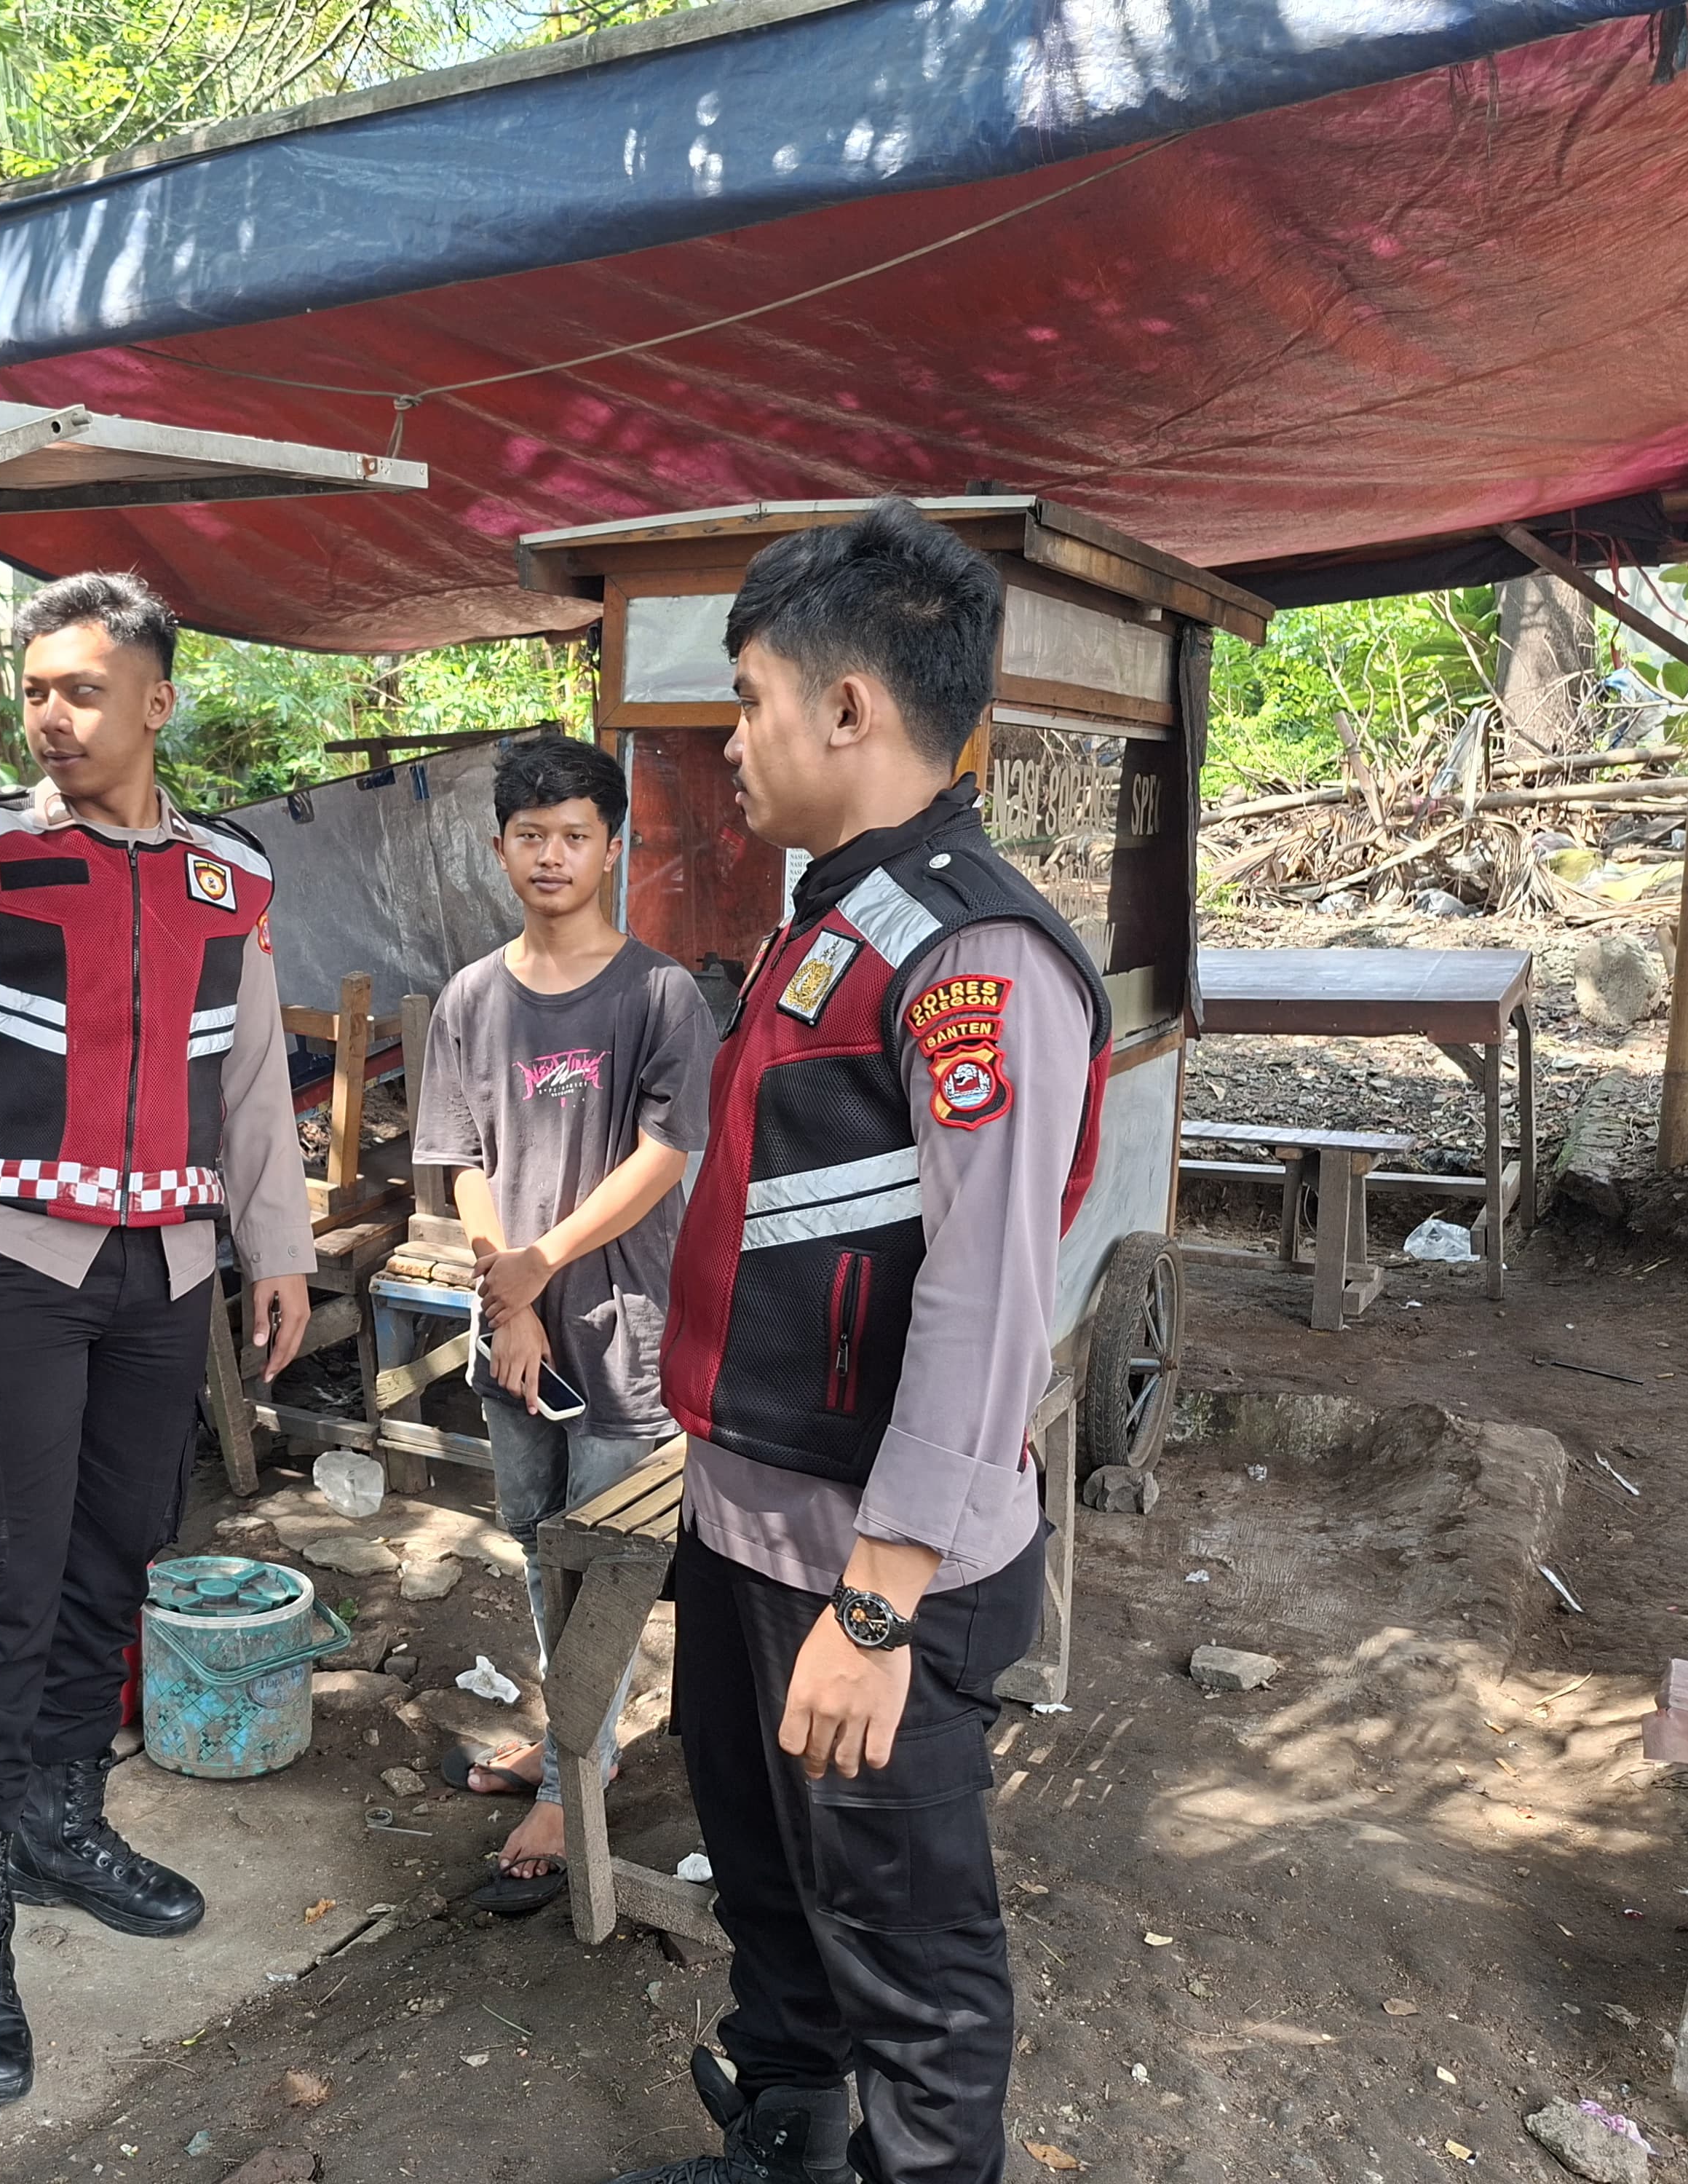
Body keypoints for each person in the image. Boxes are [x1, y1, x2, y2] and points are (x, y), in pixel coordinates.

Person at [617, 502, 1107, 2184]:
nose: (729, 741)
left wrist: (879, 1604)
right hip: (748, 1524)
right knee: (771, 1897)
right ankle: (785, 2135)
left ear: (847, 708)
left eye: (747, 700)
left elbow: (983, 1303)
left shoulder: (972, 954)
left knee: (906, 1957)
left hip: (866, 1564)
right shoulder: (830, 922)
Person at [0, 571, 317, 2109]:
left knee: (119, 1550)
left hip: (168, 1272)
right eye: (37, 690)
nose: (51, 716)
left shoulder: (230, 876)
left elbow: (254, 1079)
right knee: (4, 1575)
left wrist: (279, 1247)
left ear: (155, 703)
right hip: (16, 1266)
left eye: (82, 691)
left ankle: (60, 1817)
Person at [410, 737, 714, 1915]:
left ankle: (569, 1786)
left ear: (611, 848)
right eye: (530, 835)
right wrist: (513, 1293)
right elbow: (463, 1162)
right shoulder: (471, 1001)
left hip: (623, 1323)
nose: (551, 855)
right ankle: (574, 1740)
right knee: (540, 1544)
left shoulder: (659, 995)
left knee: (609, 1559)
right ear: (500, 849)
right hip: (517, 1330)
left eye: (574, 835)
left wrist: (538, 1271)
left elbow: (663, 1156)